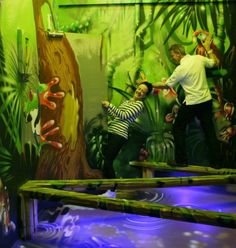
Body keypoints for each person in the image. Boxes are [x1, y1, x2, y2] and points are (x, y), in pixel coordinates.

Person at [155, 35, 221, 167]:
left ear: (178, 53)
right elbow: (215, 62)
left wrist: (150, 84)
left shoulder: (180, 69)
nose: (172, 58)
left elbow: (167, 85)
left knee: (178, 127)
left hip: (192, 103)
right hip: (206, 101)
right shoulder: (198, 59)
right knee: (209, 130)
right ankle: (216, 163)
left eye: (173, 55)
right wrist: (208, 49)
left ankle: (181, 161)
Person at [100, 81, 153, 198]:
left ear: (145, 96)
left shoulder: (139, 105)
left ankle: (112, 191)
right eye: (139, 89)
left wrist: (110, 105)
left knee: (108, 161)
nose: (139, 92)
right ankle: (108, 190)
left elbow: (124, 116)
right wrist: (108, 109)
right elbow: (117, 115)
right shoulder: (128, 101)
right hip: (113, 131)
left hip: (119, 134)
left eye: (143, 92)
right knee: (106, 161)